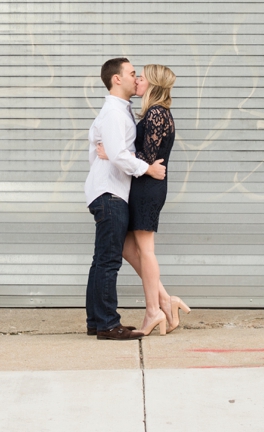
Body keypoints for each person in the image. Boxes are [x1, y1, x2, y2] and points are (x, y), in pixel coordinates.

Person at [97, 64, 190, 334]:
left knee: (146, 251)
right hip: (144, 186)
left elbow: (147, 158)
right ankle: (165, 300)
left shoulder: (157, 114)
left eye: (141, 77)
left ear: (151, 84)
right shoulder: (153, 113)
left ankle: (153, 311)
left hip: (148, 188)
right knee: (128, 248)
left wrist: (112, 154)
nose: (136, 80)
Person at [85, 58, 166, 340]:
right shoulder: (114, 114)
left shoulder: (120, 111)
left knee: (101, 260)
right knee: (108, 262)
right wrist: (148, 168)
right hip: (111, 193)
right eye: (132, 74)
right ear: (117, 79)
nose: (136, 78)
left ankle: (96, 321)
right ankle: (108, 324)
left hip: (109, 190)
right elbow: (118, 155)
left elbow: (111, 152)